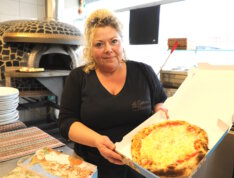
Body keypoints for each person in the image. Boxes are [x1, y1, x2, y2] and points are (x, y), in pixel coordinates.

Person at [58, 9, 169, 178]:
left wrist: (160, 110)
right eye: (99, 44)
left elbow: (159, 100)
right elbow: (66, 122)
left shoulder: (144, 71)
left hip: (142, 163)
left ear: (122, 43)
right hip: (94, 165)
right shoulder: (79, 77)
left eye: (114, 41)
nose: (108, 49)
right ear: (90, 49)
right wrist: (97, 141)